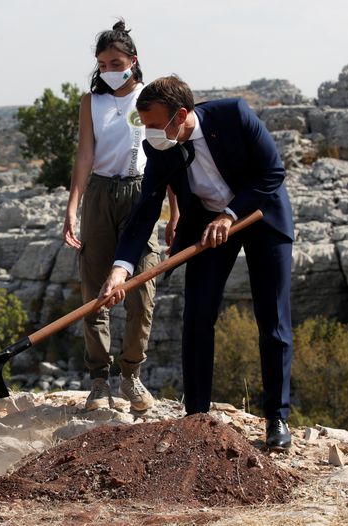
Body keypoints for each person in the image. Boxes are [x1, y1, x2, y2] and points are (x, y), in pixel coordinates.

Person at [99, 76, 294, 449]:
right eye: (145, 125)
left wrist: (231, 215)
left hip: (260, 217)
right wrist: (120, 268)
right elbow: (144, 211)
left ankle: (277, 418)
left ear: (182, 115)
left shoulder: (234, 115)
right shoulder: (161, 147)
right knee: (198, 316)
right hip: (207, 229)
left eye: (155, 124)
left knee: (273, 320)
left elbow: (273, 172)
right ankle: (197, 417)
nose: (150, 133)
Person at [63, 19, 178, 412]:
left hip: (141, 193)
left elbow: (167, 154)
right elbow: (84, 155)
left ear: (133, 60)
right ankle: (99, 380)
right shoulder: (90, 102)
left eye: (116, 62)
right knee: (95, 288)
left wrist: (175, 210)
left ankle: (132, 375)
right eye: (103, 65)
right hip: (99, 193)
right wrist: (72, 208)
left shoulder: (149, 97)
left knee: (141, 292)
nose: (110, 71)